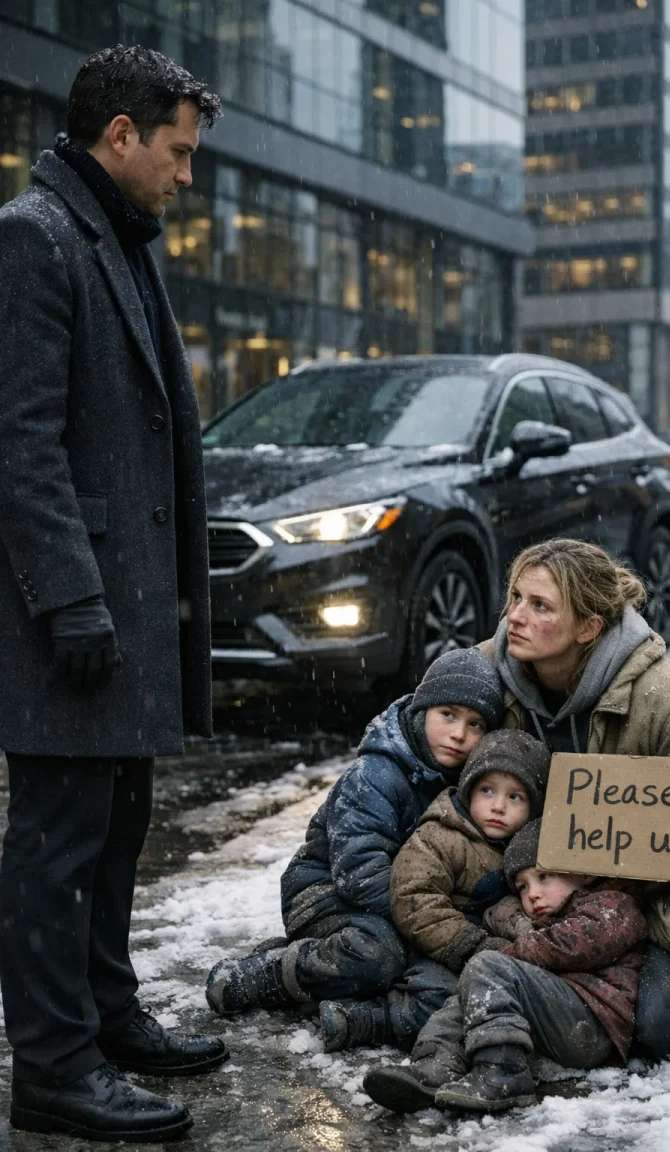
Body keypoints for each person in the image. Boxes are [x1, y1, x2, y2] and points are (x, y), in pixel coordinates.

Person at [0, 46, 225, 1142]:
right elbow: (20, 445)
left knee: (118, 821)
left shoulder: (119, 242)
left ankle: (105, 1014)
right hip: (71, 614)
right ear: (122, 136)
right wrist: (72, 602)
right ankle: (51, 1066)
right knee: (58, 841)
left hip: (122, 606)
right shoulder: (33, 239)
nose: (188, 175)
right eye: (178, 152)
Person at [476, 537, 670, 1061]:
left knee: (668, 1028)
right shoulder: (486, 674)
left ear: (589, 628)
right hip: (533, 887)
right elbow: (421, 742)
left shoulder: (666, 699)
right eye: (515, 598)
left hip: (658, 904)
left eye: (540, 606)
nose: (515, 617)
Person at [206, 647, 505, 1051]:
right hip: (325, 892)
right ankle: (272, 974)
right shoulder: (375, 775)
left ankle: (358, 1012)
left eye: (476, 724)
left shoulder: (470, 788)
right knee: (377, 954)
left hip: (408, 908)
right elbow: (359, 872)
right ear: (421, 712)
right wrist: (428, 925)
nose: (459, 733)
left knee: (445, 978)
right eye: (447, 715)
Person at [364, 817, 646, 1113]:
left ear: (584, 874)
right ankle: (436, 1065)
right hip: (555, 1022)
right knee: (469, 988)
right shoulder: (537, 922)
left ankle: (503, 1071)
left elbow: (574, 945)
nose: (533, 893)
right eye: (522, 887)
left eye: (545, 876)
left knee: (488, 965)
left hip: (593, 1025)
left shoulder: (613, 905)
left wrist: (509, 952)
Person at [389, 730, 550, 969]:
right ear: (468, 791)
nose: (498, 807)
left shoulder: (532, 846)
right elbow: (414, 900)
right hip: (440, 950)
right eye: (487, 790)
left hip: (501, 948)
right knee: (435, 992)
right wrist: (472, 946)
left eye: (515, 796)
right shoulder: (439, 837)